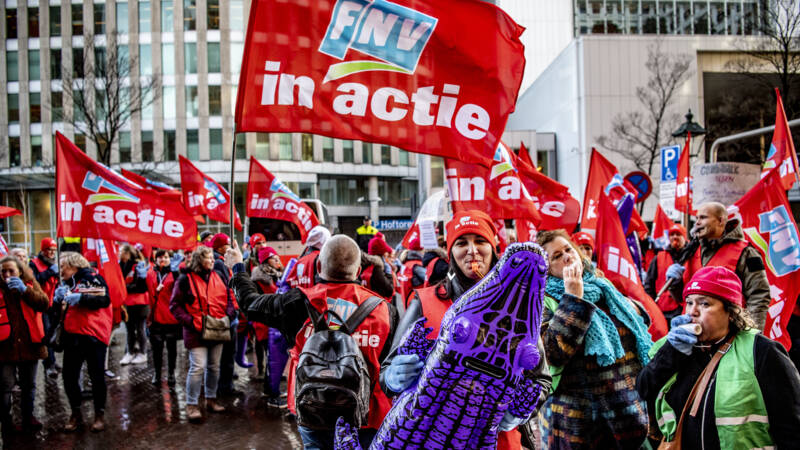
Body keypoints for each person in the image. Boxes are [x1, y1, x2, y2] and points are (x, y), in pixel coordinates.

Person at [380, 210, 550, 450]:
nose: (472, 250)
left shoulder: (521, 310)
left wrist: (520, 412)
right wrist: (392, 376)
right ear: (451, 253)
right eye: (462, 243)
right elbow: (387, 368)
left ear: (493, 248)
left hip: (497, 442)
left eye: (480, 241)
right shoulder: (425, 300)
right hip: (425, 440)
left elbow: (541, 378)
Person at [229, 235, 398, 449]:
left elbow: (248, 302)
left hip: (313, 412)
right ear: (357, 272)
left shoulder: (295, 302)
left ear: (318, 266)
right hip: (366, 417)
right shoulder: (384, 310)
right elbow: (389, 368)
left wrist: (237, 267)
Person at [637, 266, 800, 449]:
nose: (692, 312)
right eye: (689, 302)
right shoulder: (673, 347)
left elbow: (791, 427)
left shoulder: (762, 351)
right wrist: (671, 352)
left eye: (705, 304)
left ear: (730, 312)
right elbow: (643, 389)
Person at [536, 230, 653, 449]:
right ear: (546, 268)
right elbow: (552, 352)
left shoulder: (603, 287)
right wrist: (572, 298)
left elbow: (641, 326)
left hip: (626, 417)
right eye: (556, 256)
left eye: (568, 249)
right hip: (577, 428)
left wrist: (634, 309)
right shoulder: (541, 300)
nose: (567, 257)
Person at [669, 202, 770, 330]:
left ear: (721, 220)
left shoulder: (746, 252)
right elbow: (682, 298)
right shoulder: (691, 251)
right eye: (697, 218)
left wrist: (751, 334)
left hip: (728, 335)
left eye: (703, 218)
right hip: (692, 332)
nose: (697, 223)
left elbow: (759, 295)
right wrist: (674, 284)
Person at [169, 246, 237, 422]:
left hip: (218, 328)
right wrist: (191, 321)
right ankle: (191, 404)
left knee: (214, 367)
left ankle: (210, 399)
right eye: (209, 258)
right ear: (200, 260)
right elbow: (175, 305)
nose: (213, 261)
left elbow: (230, 296)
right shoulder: (184, 279)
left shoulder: (219, 276)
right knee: (198, 367)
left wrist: (229, 314)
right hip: (196, 330)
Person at [56, 252, 113, 432]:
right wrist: (58, 300)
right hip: (73, 336)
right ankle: (76, 413)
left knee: (96, 376)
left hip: (92, 336)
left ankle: (99, 415)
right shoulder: (68, 283)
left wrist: (81, 297)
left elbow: (104, 299)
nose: (60, 270)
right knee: (69, 376)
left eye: (63, 266)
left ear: (74, 265)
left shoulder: (92, 277)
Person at [0, 256, 49, 435]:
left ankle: (28, 417)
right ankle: (6, 421)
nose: (6, 274)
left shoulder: (29, 284)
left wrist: (24, 291)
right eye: (3, 271)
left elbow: (44, 304)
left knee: (29, 385)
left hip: (30, 344)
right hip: (5, 346)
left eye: (11, 271)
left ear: (20, 271)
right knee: (5, 386)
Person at [146, 249, 183, 386]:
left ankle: (171, 373)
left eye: (166, 257)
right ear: (155, 260)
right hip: (156, 317)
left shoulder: (174, 273)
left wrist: (177, 275)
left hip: (171, 317)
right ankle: (157, 373)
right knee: (157, 348)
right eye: (160, 257)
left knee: (171, 348)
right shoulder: (150, 273)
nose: (163, 260)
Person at [644, 224, 688, 324]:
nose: (675, 237)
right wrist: (651, 306)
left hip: (683, 309)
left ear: (684, 237)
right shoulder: (659, 257)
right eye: (672, 234)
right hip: (663, 309)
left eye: (678, 234)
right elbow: (649, 283)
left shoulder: (691, 256)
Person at [29, 237, 60, 378]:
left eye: (54, 250)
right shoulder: (34, 263)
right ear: (43, 249)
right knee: (46, 335)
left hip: (54, 303)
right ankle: (49, 365)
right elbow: (34, 280)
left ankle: (53, 361)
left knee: (53, 334)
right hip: (42, 304)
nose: (52, 253)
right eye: (49, 250)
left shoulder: (55, 263)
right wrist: (50, 272)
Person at [119, 244, 150, 365]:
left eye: (121, 251)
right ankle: (130, 353)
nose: (118, 252)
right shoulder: (120, 265)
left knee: (140, 328)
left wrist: (124, 288)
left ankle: (143, 353)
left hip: (139, 303)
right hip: (127, 303)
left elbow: (141, 287)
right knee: (129, 329)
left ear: (127, 253)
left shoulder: (137, 265)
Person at [285, 225, 331, 289]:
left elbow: (290, 282)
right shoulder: (321, 259)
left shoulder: (300, 260)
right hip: (314, 298)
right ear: (324, 240)